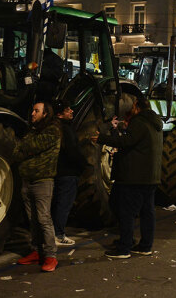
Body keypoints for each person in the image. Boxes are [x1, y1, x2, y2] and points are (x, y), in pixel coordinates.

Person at [92, 90, 163, 259]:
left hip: (134, 177)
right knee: (147, 212)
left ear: (137, 107)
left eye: (132, 105)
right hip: (150, 177)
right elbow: (133, 140)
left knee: (125, 211)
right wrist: (119, 130)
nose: (129, 108)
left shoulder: (139, 122)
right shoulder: (154, 123)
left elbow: (127, 142)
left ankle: (124, 247)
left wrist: (102, 138)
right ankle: (145, 246)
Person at [14, 101, 61, 271]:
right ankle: (37, 251)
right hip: (27, 181)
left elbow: (29, 146)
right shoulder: (32, 131)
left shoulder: (53, 131)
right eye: (32, 110)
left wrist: (26, 149)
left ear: (45, 114)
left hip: (43, 181)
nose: (32, 113)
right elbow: (16, 151)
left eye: (36, 111)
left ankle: (50, 256)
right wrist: (27, 150)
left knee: (43, 219)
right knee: (33, 220)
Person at [52, 98, 86, 246]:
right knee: (64, 205)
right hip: (69, 172)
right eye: (68, 110)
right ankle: (58, 234)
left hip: (59, 172)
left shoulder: (54, 128)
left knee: (57, 203)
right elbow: (73, 152)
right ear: (60, 114)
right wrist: (83, 165)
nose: (72, 111)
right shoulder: (66, 129)